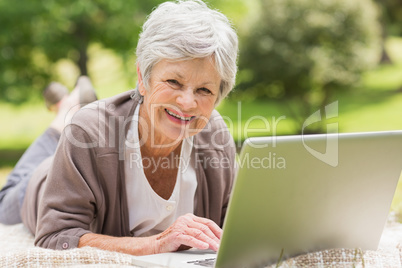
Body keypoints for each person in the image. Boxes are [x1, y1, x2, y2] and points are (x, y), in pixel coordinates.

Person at [0, 0, 238, 256]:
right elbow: (56, 235)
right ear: (142, 79)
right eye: (174, 81)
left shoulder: (215, 135)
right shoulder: (87, 132)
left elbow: (236, 226)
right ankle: (62, 119)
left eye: (204, 89)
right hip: (46, 180)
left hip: (92, 136)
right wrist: (155, 244)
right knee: (5, 204)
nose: (188, 102)